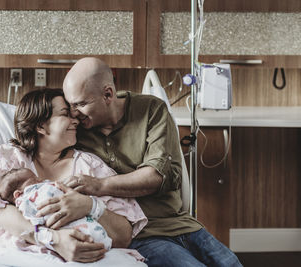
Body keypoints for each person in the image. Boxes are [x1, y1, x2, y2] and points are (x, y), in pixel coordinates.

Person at [55, 57, 241, 267]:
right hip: (140, 233)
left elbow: (155, 176)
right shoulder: (75, 131)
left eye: (80, 104)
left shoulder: (151, 110)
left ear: (108, 94)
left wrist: (99, 185)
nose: (74, 114)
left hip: (181, 224)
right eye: (70, 105)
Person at [0, 88, 147, 264]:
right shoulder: (12, 159)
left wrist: (90, 206)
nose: (76, 121)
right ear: (41, 125)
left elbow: (124, 235)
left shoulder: (89, 166)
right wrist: (54, 240)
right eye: (65, 114)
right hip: (18, 253)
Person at [0, 167, 112, 250]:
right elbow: (32, 219)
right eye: (34, 180)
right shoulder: (25, 201)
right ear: (18, 194)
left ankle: (98, 239)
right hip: (56, 224)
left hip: (75, 210)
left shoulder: (46, 185)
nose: (39, 180)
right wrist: (41, 227)